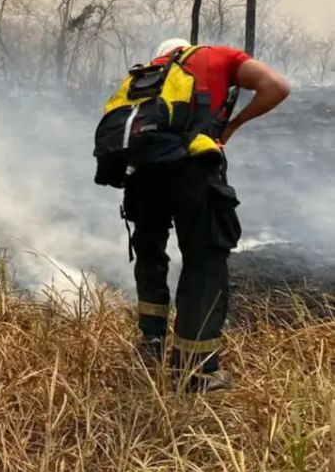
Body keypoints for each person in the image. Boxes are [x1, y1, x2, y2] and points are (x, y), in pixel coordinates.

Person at [120, 38, 290, 392]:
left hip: (144, 174)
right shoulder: (217, 56)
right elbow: (277, 87)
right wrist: (233, 125)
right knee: (203, 262)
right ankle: (196, 372)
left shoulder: (149, 73)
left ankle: (151, 342)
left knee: (150, 253)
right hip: (192, 170)